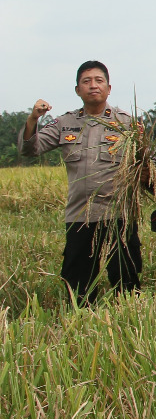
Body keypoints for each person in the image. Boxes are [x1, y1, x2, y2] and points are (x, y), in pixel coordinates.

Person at [18, 61, 148, 301]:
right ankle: (80, 320)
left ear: (109, 88)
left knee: (126, 277)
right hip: (80, 214)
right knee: (77, 282)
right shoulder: (65, 123)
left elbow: (144, 170)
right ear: (77, 90)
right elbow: (30, 149)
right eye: (86, 82)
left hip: (118, 213)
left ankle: (130, 319)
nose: (93, 86)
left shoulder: (127, 124)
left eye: (98, 81)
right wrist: (33, 118)